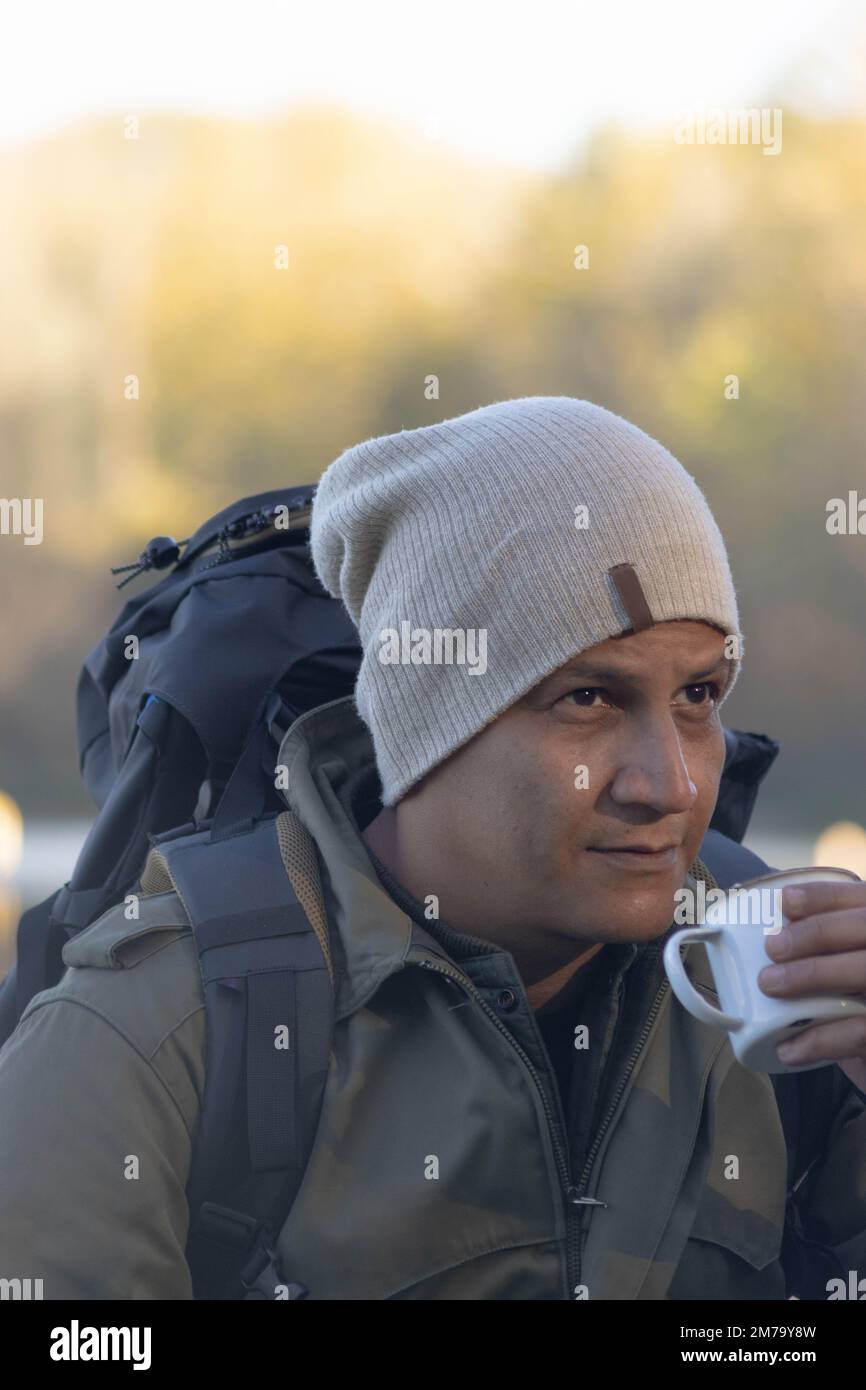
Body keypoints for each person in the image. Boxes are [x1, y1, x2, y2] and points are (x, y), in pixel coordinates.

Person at [0, 395, 864, 1299]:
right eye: (589, 699)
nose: (674, 786)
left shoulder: (789, 987)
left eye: (698, 696)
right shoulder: (158, 1039)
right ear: (428, 730)